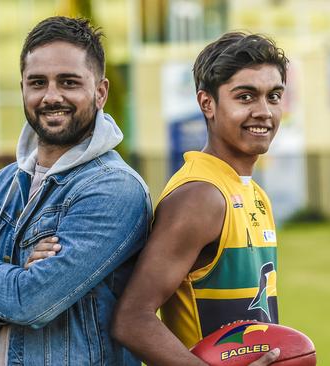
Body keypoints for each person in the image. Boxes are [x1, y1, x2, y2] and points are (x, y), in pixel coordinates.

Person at [0, 16, 151, 366]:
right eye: (37, 82)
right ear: (23, 90)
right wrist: (16, 273)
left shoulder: (115, 189)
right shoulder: (3, 184)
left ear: (100, 91)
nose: (51, 96)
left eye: (69, 82)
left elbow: (33, 303)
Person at [112, 32, 289, 365]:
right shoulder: (200, 196)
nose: (264, 111)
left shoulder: (254, 193)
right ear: (207, 103)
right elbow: (132, 319)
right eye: (246, 97)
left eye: (274, 96)